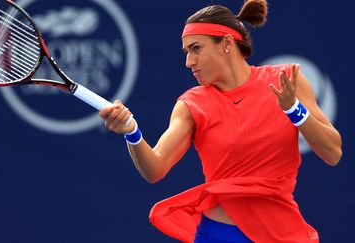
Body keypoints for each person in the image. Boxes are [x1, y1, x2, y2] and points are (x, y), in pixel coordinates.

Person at [99, 0, 342, 242]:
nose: (189, 62)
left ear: (226, 43)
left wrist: (293, 110)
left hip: (282, 233)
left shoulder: (287, 80)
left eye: (196, 49)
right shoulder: (191, 104)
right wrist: (131, 131)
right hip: (222, 235)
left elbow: (333, 152)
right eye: (186, 52)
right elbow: (154, 169)